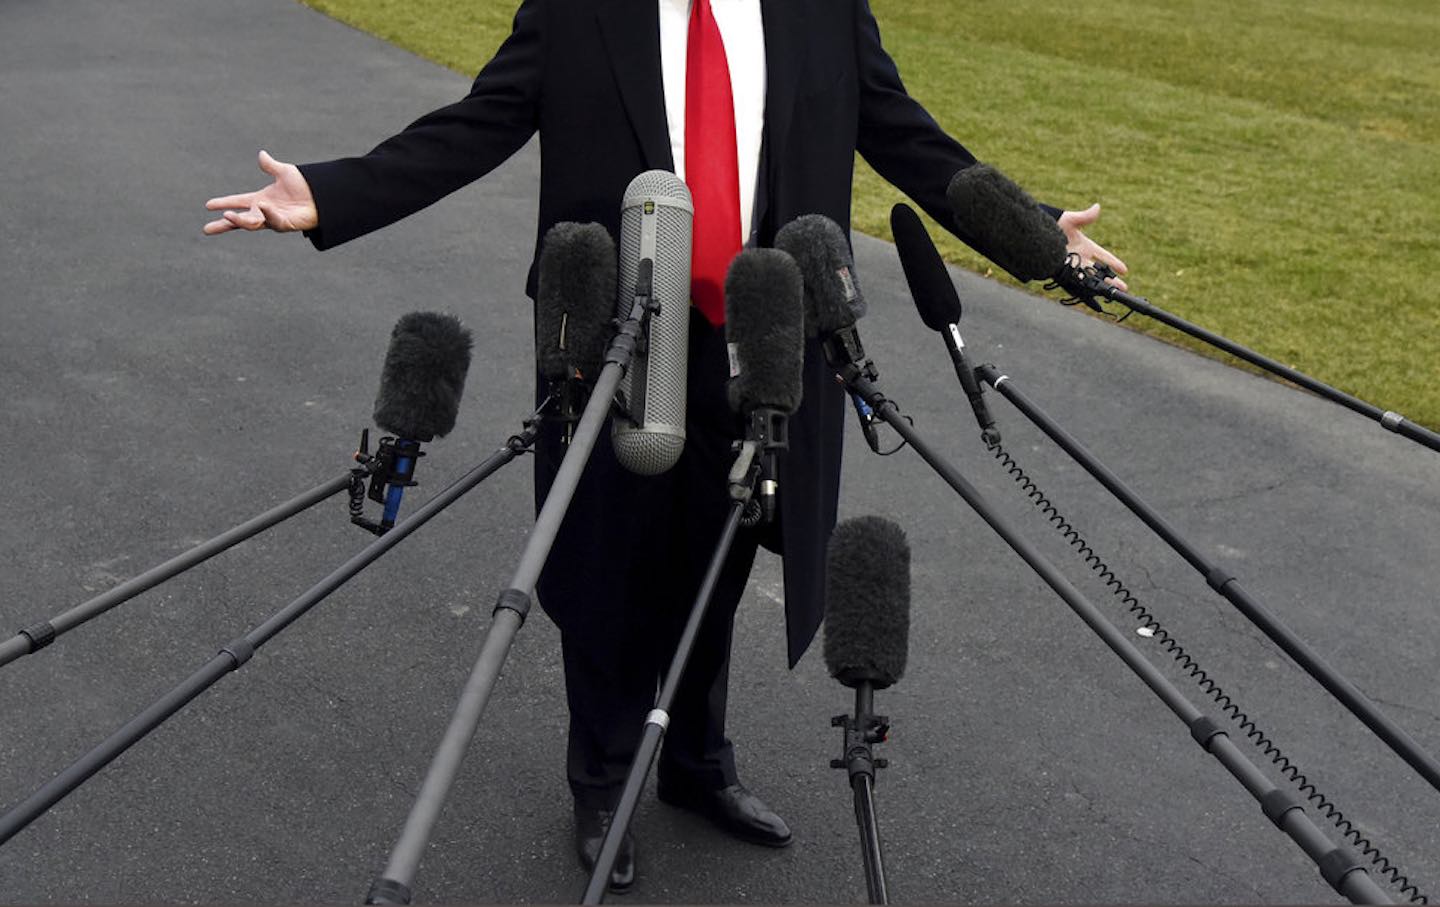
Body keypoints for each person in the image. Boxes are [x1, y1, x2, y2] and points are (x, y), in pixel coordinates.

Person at [205, 0, 1127, 892]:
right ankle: (603, 781)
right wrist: (325, 194)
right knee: (608, 562)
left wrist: (1042, 237)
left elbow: (905, 134)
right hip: (615, 337)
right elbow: (477, 124)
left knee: (721, 556)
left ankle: (695, 761)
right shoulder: (579, 10)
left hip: (762, 335)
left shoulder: (822, 9)